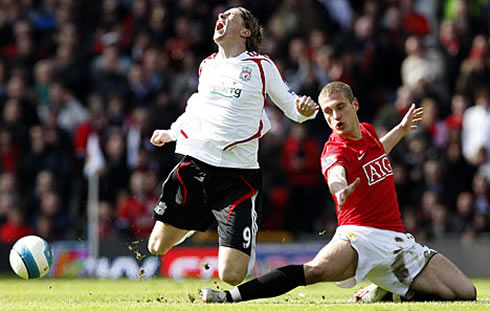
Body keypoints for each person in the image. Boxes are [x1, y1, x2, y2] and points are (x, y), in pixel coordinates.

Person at [200, 81, 476, 302]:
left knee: (465, 293)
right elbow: (335, 173)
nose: (335, 116)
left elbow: (377, 150)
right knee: (316, 270)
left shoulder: (367, 132)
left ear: (354, 105)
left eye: (340, 107)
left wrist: (401, 131)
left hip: (397, 240)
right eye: (328, 112)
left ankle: (387, 291)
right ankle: (228, 297)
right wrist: (340, 189)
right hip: (360, 237)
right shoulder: (334, 149)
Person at [147, 7, 318, 286]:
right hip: (196, 165)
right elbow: (198, 108)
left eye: (229, 15)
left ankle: (234, 236)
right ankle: (195, 221)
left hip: (236, 177)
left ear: (245, 31)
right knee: (156, 246)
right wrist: (171, 132)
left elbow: (292, 107)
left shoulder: (261, 66)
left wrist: (305, 110)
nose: (221, 18)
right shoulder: (207, 65)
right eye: (220, 16)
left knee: (231, 276)